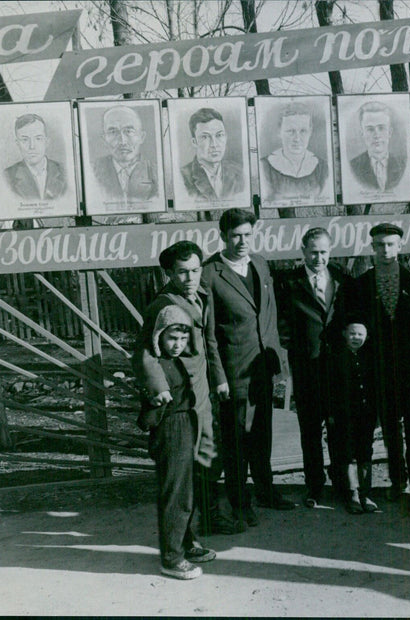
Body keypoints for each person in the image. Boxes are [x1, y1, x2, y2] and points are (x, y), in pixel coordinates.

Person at [133, 241, 234, 537]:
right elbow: (142, 352)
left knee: (208, 457)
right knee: (184, 468)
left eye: (195, 270)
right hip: (179, 398)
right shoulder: (163, 305)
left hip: (202, 394)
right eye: (182, 273)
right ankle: (185, 535)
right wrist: (159, 388)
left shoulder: (202, 294)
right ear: (168, 274)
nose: (190, 278)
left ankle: (211, 517)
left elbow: (209, 342)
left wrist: (220, 378)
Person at [203, 208, 296, 523]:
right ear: (223, 236)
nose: (242, 242)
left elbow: (267, 315)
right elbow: (208, 334)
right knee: (237, 442)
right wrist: (219, 377)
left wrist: (277, 361)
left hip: (262, 369)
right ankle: (240, 502)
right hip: (234, 373)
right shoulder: (210, 274)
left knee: (262, 435)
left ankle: (266, 491)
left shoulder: (260, 263)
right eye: (236, 236)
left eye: (247, 235)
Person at [342, 223, 410, 522]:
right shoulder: (361, 284)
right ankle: (398, 481)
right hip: (378, 369)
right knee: (391, 427)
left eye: (391, 244)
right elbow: (353, 324)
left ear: (401, 247)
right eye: (379, 245)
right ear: (372, 248)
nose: (385, 250)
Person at [135, 304, 216, 580]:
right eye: (172, 338)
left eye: (183, 338)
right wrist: (155, 399)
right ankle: (171, 558)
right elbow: (148, 406)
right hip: (171, 429)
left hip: (186, 426)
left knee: (188, 490)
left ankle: (186, 542)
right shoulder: (155, 365)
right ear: (159, 335)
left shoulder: (176, 360)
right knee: (176, 495)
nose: (178, 344)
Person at [276, 227, 351, 507]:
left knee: (339, 427)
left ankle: (343, 483)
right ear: (303, 252)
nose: (318, 258)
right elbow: (282, 321)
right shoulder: (288, 283)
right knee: (310, 428)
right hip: (306, 367)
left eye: (323, 252)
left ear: (330, 251)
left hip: (337, 365)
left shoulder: (343, 278)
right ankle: (315, 485)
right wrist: (291, 351)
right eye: (313, 252)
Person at [327, 318, 379, 515]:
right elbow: (330, 389)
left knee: (365, 451)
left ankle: (366, 493)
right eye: (352, 333)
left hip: (366, 414)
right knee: (347, 452)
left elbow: (375, 387)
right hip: (344, 415)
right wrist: (331, 413)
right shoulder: (336, 357)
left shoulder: (371, 357)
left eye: (360, 334)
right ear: (344, 334)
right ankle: (352, 494)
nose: (356, 337)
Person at [260, 103, 330, 203]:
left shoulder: (323, 167)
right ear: (280, 132)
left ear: (310, 132)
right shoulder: (264, 167)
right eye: (290, 131)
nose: (297, 138)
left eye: (303, 131)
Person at [93, 105, 158, 202]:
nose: (122, 141)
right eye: (113, 132)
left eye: (129, 131)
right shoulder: (92, 172)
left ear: (141, 137)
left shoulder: (156, 173)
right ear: (104, 139)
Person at [180, 107, 246, 201]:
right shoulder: (182, 178)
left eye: (219, 135)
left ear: (226, 137)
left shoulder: (240, 172)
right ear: (194, 142)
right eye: (205, 137)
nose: (214, 145)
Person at [4, 114, 67, 201]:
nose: (32, 146)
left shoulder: (65, 172)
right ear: (17, 144)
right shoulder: (7, 177)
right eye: (25, 140)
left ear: (46, 141)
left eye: (38, 138)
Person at [349, 102, 406, 191]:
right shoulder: (353, 167)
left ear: (390, 132)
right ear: (362, 134)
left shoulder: (402, 165)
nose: (377, 135)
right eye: (370, 129)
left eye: (381, 128)